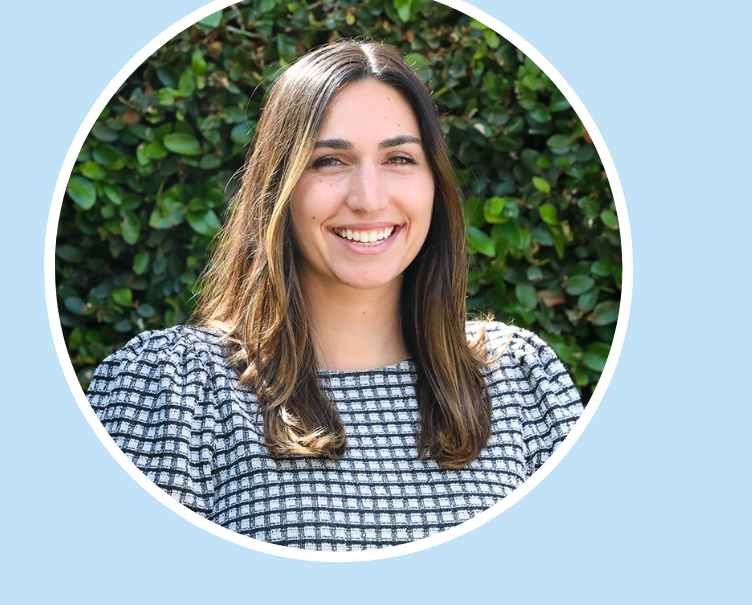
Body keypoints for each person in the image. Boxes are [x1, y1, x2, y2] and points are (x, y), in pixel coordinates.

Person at [87, 40, 583, 551]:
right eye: (328, 161)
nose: (368, 198)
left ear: (435, 182)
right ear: (278, 185)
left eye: (399, 158)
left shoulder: (521, 380)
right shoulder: (171, 388)